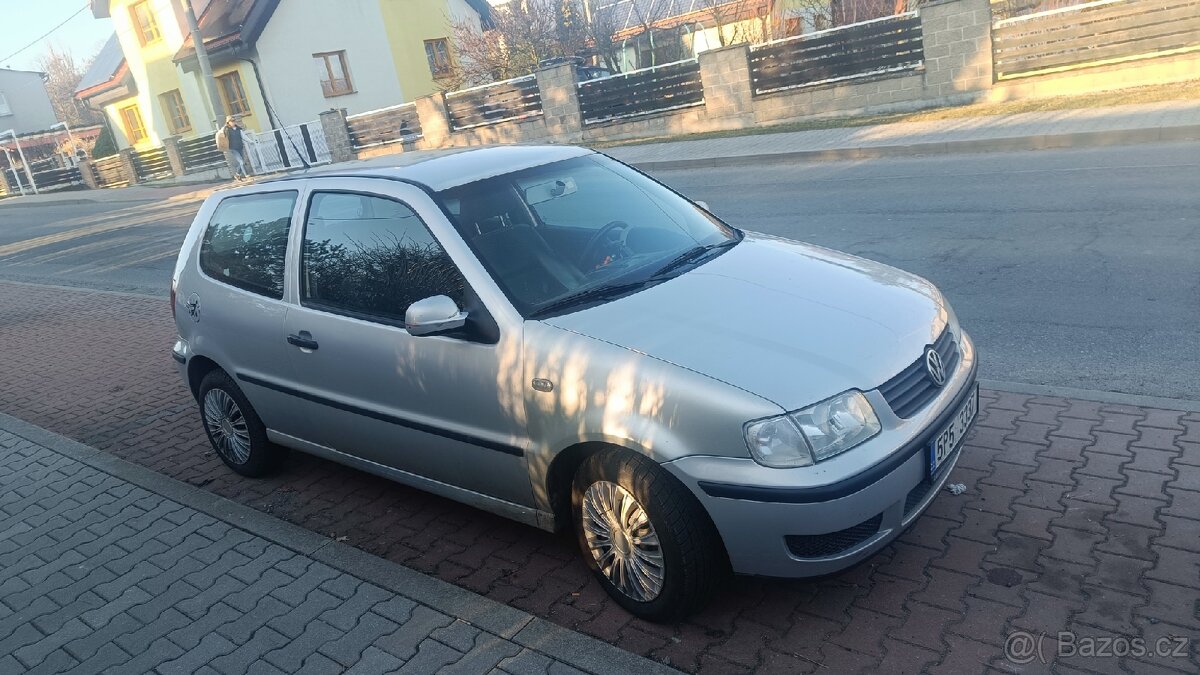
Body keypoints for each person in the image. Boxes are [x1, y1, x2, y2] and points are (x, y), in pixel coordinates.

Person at [214, 115, 251, 181]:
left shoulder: (238, 129)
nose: (234, 122)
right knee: (241, 162)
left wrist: (251, 141)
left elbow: (244, 136)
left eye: (234, 121)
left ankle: (237, 175)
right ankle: (246, 175)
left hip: (240, 147)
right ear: (228, 122)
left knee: (241, 162)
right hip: (233, 148)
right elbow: (219, 134)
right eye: (232, 121)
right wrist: (219, 143)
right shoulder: (226, 129)